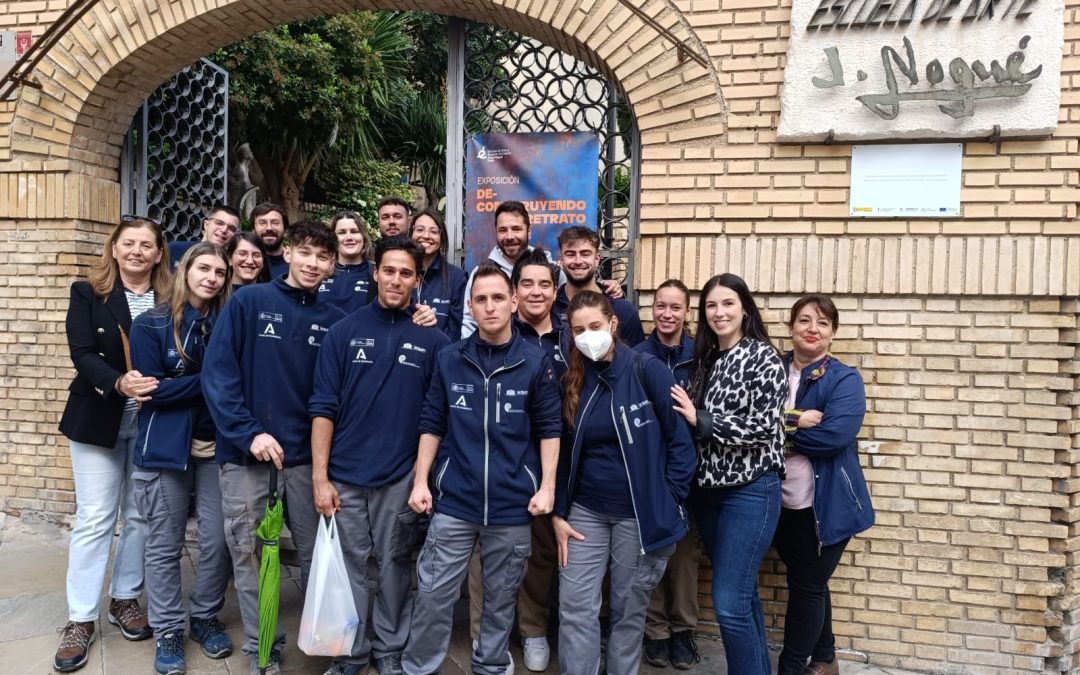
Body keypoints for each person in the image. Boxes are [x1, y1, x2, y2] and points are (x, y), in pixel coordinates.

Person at [401, 263, 562, 675]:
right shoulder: (450, 358)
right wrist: (421, 482)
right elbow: (432, 422)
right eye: (481, 299)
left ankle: (490, 665)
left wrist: (546, 486)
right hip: (455, 501)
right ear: (470, 307)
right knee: (433, 593)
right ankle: (419, 667)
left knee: (500, 598)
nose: (490, 307)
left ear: (513, 302)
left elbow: (549, 428)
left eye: (498, 298)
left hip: (512, 506)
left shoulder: (535, 361)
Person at [203, 220, 346, 675]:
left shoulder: (336, 320)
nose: (313, 263)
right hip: (248, 455)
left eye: (323, 257)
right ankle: (262, 648)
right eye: (305, 252)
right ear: (286, 253)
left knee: (320, 555)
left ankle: (331, 645)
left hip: (308, 462)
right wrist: (248, 433)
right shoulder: (248, 302)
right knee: (251, 555)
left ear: (333, 265)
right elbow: (218, 374)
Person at [310, 235, 451, 675]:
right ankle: (351, 652)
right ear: (374, 273)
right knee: (349, 565)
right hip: (344, 474)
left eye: (406, 273)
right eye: (388, 270)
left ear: (417, 280)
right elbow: (323, 407)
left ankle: (389, 648)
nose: (395, 280)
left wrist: (421, 477)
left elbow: (435, 416)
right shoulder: (343, 332)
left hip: (400, 476)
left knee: (395, 564)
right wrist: (320, 477)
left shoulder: (434, 341)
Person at [553, 290, 696, 675]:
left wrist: (667, 500)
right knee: (576, 607)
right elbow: (562, 453)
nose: (588, 336)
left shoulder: (648, 370)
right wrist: (559, 512)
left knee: (628, 610)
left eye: (595, 326)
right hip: (585, 513)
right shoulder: (572, 381)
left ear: (613, 324)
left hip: (638, 515)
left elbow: (681, 445)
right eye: (579, 330)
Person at [54, 216, 171, 672]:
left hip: (151, 422)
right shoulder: (88, 293)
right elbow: (81, 353)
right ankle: (80, 618)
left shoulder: (171, 298)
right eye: (129, 243)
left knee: (140, 514)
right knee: (95, 518)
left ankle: (124, 597)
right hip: (99, 418)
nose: (137, 251)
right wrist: (119, 382)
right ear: (115, 248)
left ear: (159, 254)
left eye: (146, 245)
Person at [670, 273, 787, 675]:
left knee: (729, 604)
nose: (719, 312)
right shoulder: (706, 360)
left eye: (728, 304)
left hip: (750, 490)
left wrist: (700, 419)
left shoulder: (763, 357)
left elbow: (763, 427)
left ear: (745, 309)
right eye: (711, 306)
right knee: (743, 598)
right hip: (710, 495)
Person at [129, 243, 234, 675]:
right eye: (203, 268)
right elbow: (151, 393)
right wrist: (212, 380)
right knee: (164, 544)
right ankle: (168, 628)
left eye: (220, 272)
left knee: (219, 539)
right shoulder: (150, 324)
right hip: (165, 447)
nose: (211, 277)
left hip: (215, 446)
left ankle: (204, 616)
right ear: (185, 270)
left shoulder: (228, 322)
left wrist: (187, 384)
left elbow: (234, 383)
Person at [775, 295, 874, 675]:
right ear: (791, 327)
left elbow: (834, 437)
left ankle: (792, 667)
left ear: (832, 333)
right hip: (777, 500)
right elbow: (747, 418)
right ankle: (826, 659)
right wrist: (796, 420)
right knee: (809, 581)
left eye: (822, 323)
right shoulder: (771, 369)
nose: (812, 329)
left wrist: (773, 434)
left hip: (825, 505)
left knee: (807, 584)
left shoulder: (844, 379)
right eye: (804, 320)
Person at [636, 279, 703, 670]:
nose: (667, 314)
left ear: (687, 312)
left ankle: (683, 631)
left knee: (684, 557)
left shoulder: (701, 357)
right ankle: (657, 632)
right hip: (647, 471)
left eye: (675, 307)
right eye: (661, 306)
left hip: (686, 470)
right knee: (650, 553)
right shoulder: (637, 356)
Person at [460, 201, 623, 340]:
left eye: (516, 229)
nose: (509, 236)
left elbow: (577, 289)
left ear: (529, 231)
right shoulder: (482, 273)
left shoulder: (552, 269)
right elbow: (470, 323)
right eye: (503, 230)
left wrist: (602, 285)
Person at [553, 226, 644, 347]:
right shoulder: (550, 307)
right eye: (570, 254)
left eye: (585, 254)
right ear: (561, 260)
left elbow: (636, 357)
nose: (578, 261)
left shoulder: (622, 310)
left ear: (596, 259)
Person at [410, 209, 467, 341]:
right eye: (420, 230)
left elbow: (455, 332)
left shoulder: (457, 278)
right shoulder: (400, 274)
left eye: (434, 232)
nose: (426, 236)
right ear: (411, 234)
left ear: (442, 239)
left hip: (440, 352)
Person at [319, 210, 375, 313]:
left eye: (354, 231)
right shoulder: (319, 271)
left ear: (363, 237)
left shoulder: (376, 274)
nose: (349, 237)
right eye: (342, 232)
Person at [169, 205, 241, 266]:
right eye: (219, 223)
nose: (224, 230)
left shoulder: (232, 265)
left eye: (231, 228)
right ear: (206, 225)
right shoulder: (175, 249)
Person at [251, 202, 289, 279]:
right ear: (253, 231)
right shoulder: (245, 264)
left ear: (285, 231)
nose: (269, 228)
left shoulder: (295, 264)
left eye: (275, 223)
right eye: (262, 223)